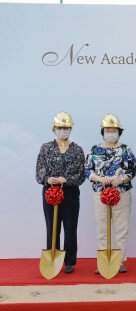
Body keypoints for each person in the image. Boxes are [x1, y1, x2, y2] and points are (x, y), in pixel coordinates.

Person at [85, 114, 136, 273]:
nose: (111, 133)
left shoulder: (126, 149)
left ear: (119, 132)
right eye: (108, 130)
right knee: (102, 228)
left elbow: (133, 170)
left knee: (122, 228)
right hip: (100, 194)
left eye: (114, 130)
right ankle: (103, 261)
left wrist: (121, 180)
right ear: (103, 132)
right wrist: (99, 179)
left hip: (121, 194)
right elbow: (87, 170)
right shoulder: (94, 149)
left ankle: (119, 262)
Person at [35, 111, 85, 274]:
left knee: (70, 227)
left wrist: (67, 179)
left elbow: (80, 174)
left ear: (70, 129)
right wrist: (47, 179)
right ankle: (53, 256)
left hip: (70, 193)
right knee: (52, 226)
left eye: (66, 128)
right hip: (50, 192)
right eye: (60, 128)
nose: (63, 131)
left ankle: (70, 261)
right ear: (54, 128)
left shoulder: (77, 149)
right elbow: (39, 171)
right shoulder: (46, 148)